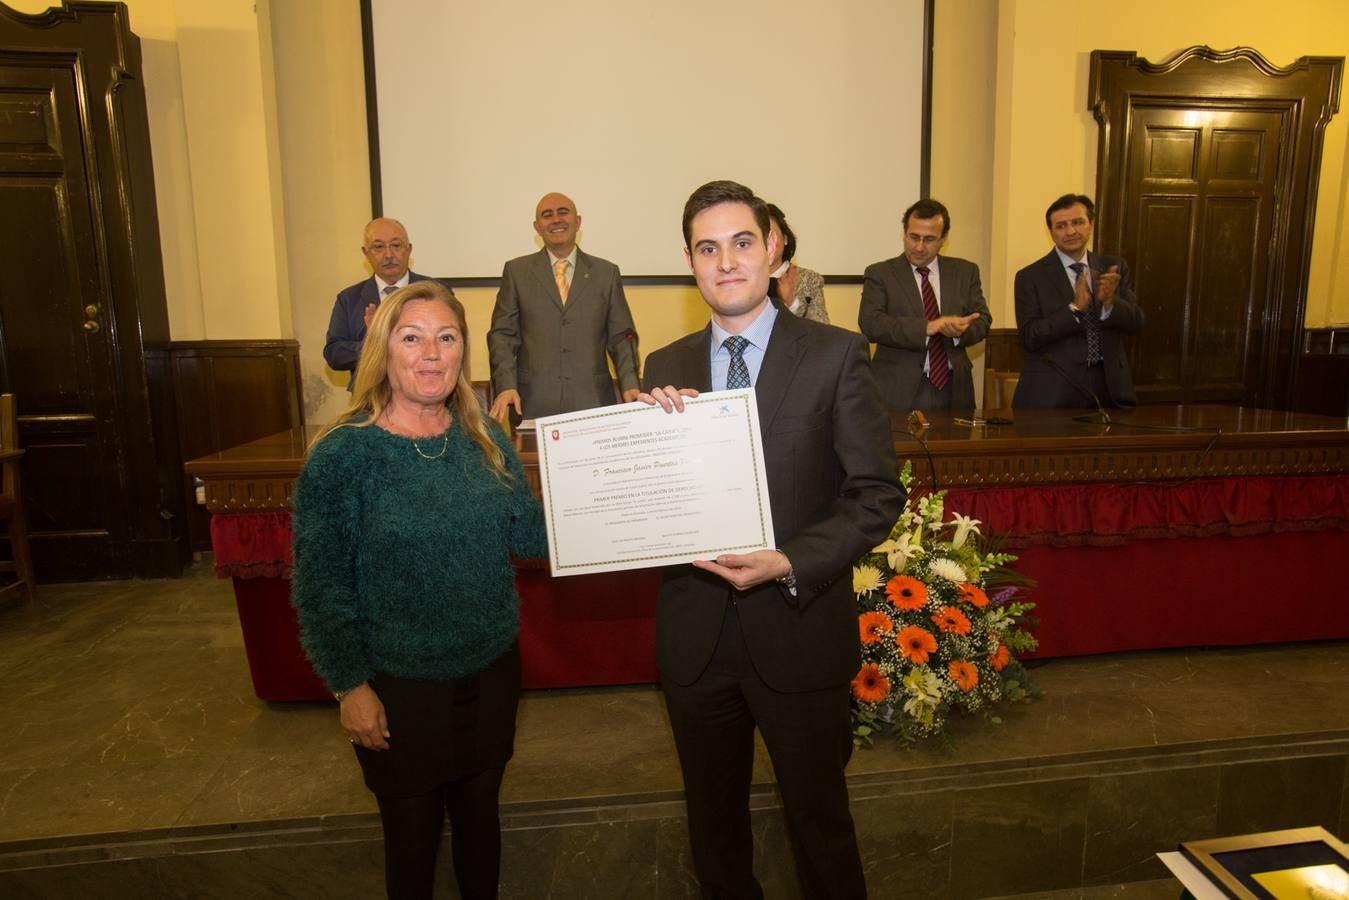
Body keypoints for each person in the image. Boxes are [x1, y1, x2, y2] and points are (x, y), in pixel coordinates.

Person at [640, 180, 904, 899]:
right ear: (690, 262)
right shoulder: (662, 367)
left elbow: (875, 494)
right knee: (714, 833)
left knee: (821, 829)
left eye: (741, 242)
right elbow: (654, 504)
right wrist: (641, 445)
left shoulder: (835, 354)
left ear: (773, 248)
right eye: (707, 248)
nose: (725, 261)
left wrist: (790, 560)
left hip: (797, 631)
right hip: (696, 641)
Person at [292, 280, 546, 900]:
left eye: (446, 338)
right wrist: (350, 687)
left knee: (481, 828)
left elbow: (532, 538)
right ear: (384, 349)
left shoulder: (486, 437)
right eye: (412, 338)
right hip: (396, 689)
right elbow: (322, 588)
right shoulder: (343, 455)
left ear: (462, 351)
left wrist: (624, 466)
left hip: (490, 674)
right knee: (411, 847)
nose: (431, 353)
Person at [487, 192, 641, 421]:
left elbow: (622, 337)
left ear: (577, 222)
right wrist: (505, 385)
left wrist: (630, 383)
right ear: (537, 227)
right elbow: (502, 336)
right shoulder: (516, 272)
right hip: (532, 404)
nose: (556, 219)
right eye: (547, 215)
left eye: (563, 212)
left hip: (594, 402)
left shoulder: (606, 273)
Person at [1012, 193, 1144, 409]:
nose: (1071, 231)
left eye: (1078, 222)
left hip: (1110, 389)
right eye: (1061, 226)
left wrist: (1110, 304)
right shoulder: (1030, 276)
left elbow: (1137, 323)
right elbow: (1029, 337)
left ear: (1091, 224)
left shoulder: (1113, 267)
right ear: (1051, 232)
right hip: (1053, 392)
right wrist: (1074, 310)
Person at [858, 198, 991, 412]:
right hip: (897, 390)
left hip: (954, 389)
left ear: (943, 239)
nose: (919, 247)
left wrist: (960, 331)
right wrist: (927, 327)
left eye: (929, 239)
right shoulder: (881, 273)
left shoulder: (965, 272)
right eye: (914, 237)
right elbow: (871, 323)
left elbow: (982, 320)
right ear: (904, 233)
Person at [323, 217, 431, 390]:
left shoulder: (435, 291)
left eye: (396, 245)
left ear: (409, 249)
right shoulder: (349, 299)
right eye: (379, 247)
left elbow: (454, 343)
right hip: (370, 394)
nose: (388, 255)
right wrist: (375, 343)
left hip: (427, 390)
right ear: (366, 253)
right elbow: (334, 355)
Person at [766, 203, 829, 323]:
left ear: (785, 238)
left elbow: (821, 328)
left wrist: (790, 304)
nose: (767, 243)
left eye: (771, 235)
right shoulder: (744, 278)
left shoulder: (810, 279)